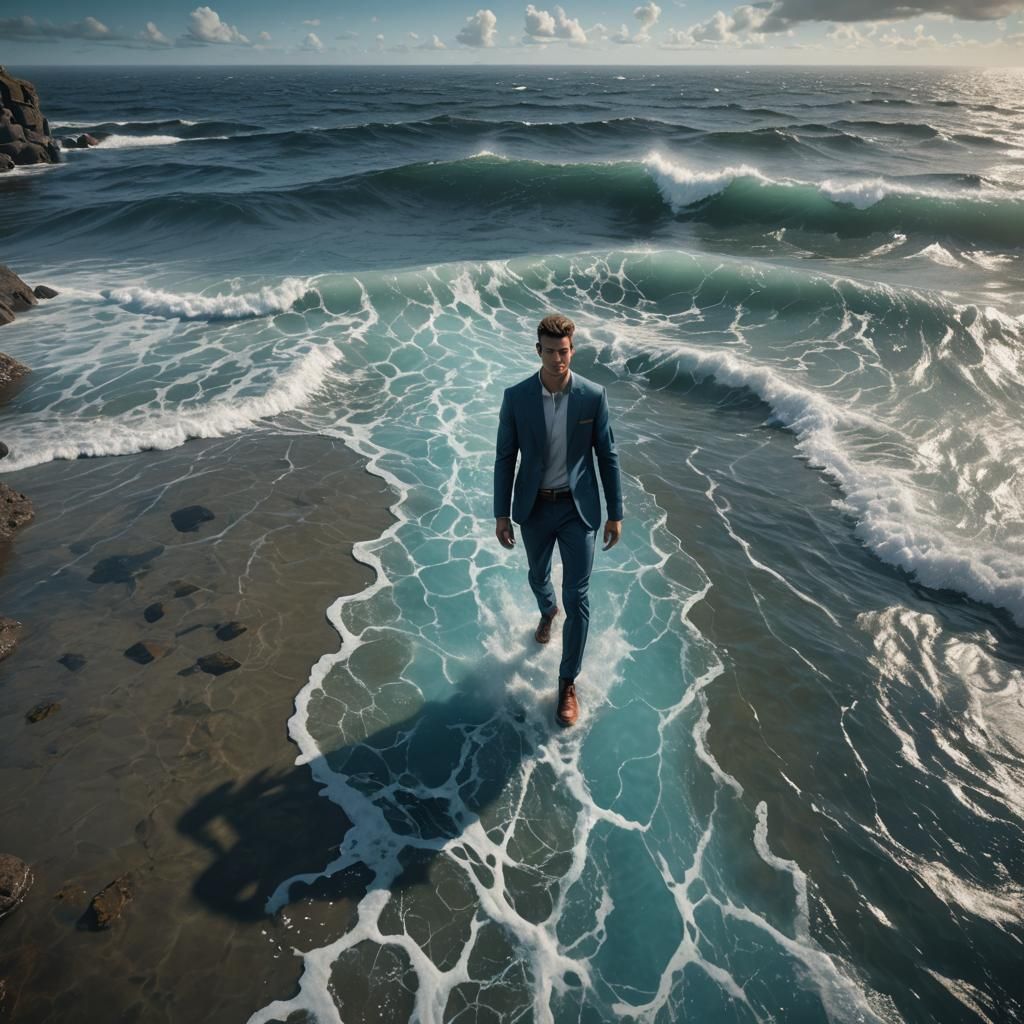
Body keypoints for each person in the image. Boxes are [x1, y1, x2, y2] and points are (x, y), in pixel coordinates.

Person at [493, 313, 623, 727]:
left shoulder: (592, 396)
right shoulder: (516, 398)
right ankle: (547, 611)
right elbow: (504, 458)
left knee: (578, 595)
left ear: (572, 349)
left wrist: (615, 513)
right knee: (537, 576)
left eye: (564, 352)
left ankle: (567, 683)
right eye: (550, 352)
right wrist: (501, 513)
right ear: (538, 351)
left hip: (577, 509)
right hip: (534, 507)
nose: (557, 359)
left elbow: (608, 456)